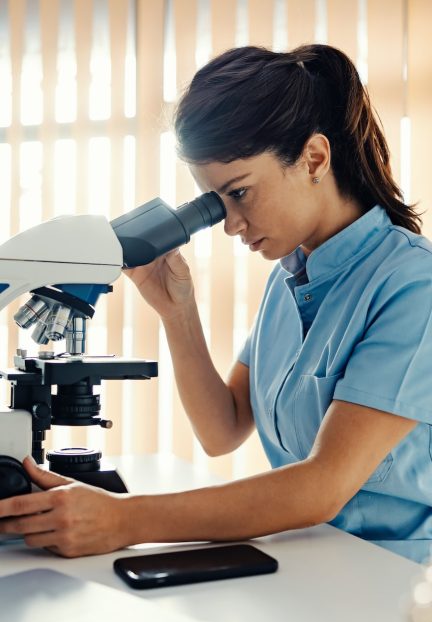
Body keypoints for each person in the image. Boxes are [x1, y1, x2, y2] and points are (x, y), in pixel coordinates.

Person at [0, 44, 431, 562]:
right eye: (215, 202)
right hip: (312, 564)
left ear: (314, 158)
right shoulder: (292, 275)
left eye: (241, 193)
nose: (229, 224)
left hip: (394, 584)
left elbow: (322, 487)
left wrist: (123, 519)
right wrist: (176, 311)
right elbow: (222, 430)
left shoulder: (413, 285)